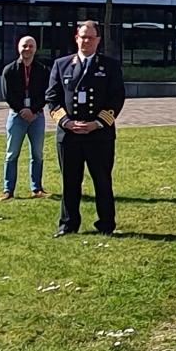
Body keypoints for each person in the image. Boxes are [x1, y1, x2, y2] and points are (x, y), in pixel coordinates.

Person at [45, 21, 126, 237]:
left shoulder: (109, 66)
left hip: (99, 135)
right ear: (76, 38)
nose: (86, 41)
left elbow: (116, 97)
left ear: (98, 40)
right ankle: (68, 225)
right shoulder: (62, 65)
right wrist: (67, 122)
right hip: (69, 136)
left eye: (91, 37)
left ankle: (106, 224)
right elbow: (52, 98)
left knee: (102, 181)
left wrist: (97, 123)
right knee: (70, 182)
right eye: (83, 37)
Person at [0, 35, 50, 201]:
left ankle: (37, 189)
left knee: (37, 154)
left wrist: (34, 111)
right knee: (11, 154)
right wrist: (22, 110)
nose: (27, 49)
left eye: (30, 46)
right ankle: (8, 191)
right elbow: (8, 94)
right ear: (18, 48)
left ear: (35, 49)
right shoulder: (9, 70)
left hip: (37, 116)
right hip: (16, 116)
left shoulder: (43, 70)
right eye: (24, 46)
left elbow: (47, 93)